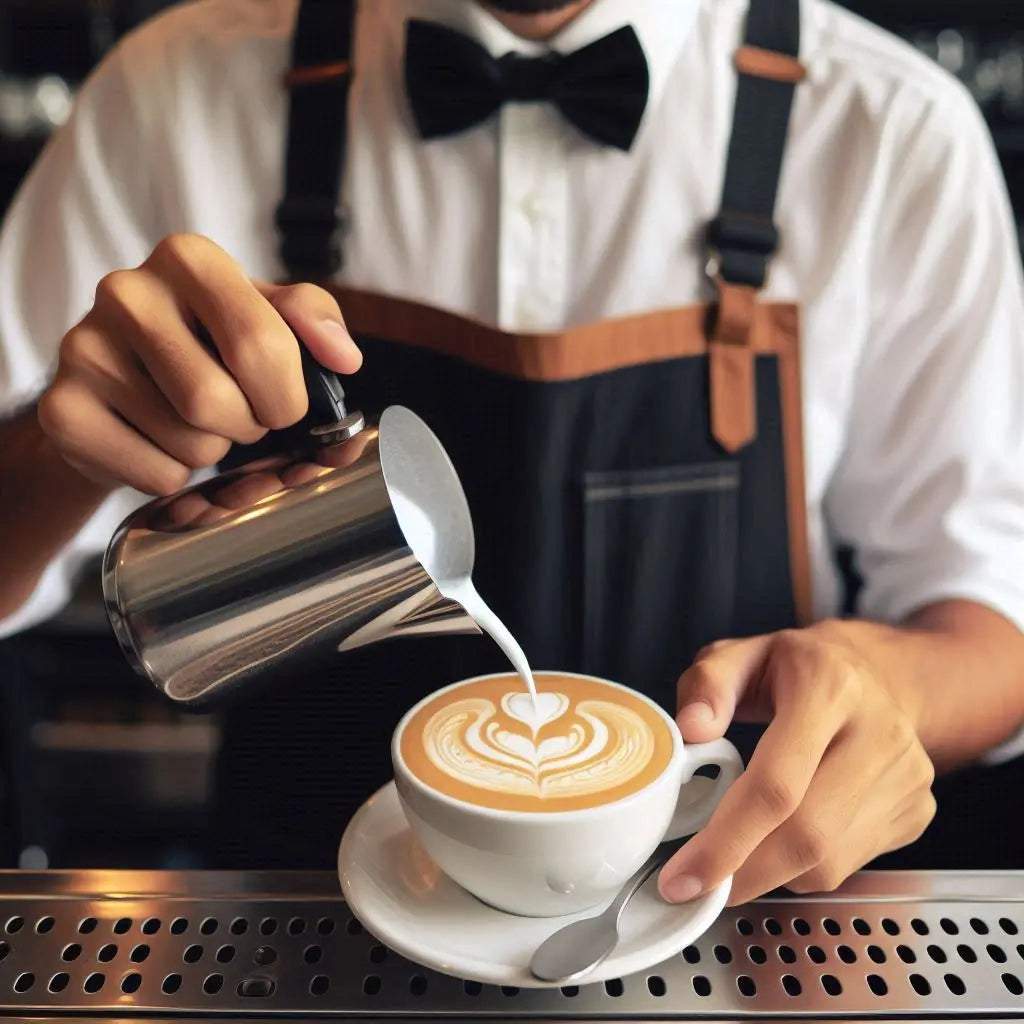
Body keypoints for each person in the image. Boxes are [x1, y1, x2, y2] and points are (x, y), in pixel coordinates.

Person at [0, 0, 1022, 906]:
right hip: (300, 918)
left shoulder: (892, 129)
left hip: (721, 918)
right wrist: (60, 443)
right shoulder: (172, 91)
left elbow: (995, 623)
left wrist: (892, 687)